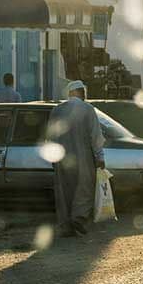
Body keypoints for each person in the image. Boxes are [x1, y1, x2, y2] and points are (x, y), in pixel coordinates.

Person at [46, 80, 105, 237]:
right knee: (84, 187)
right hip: (82, 156)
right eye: (82, 91)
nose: (84, 94)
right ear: (77, 92)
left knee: (64, 190)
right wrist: (100, 156)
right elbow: (96, 136)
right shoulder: (87, 109)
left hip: (61, 157)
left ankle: (65, 225)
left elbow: (50, 136)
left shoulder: (57, 110)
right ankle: (78, 218)